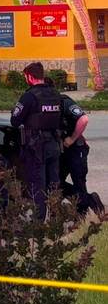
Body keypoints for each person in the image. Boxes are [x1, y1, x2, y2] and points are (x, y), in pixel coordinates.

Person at [10, 62, 64, 219]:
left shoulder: (29, 96)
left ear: (30, 77)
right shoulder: (55, 94)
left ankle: (38, 222)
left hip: (36, 147)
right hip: (54, 144)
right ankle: (56, 219)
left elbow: (15, 120)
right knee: (54, 182)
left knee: (37, 184)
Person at [56, 83, 104, 215]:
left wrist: (72, 138)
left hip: (76, 148)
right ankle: (87, 201)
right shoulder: (47, 106)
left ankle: (84, 212)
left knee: (78, 182)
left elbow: (83, 119)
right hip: (62, 151)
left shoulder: (64, 101)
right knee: (56, 183)